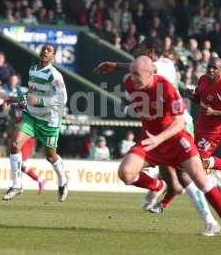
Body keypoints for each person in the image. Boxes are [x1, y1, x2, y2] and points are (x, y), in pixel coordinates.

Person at [94, 41, 219, 235]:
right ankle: (158, 186)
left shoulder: (161, 74)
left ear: (151, 56)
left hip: (177, 130)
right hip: (153, 135)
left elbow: (140, 67)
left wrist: (115, 65)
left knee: (191, 176)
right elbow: (137, 73)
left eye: (140, 50)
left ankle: (209, 220)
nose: (136, 52)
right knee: (131, 173)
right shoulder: (140, 77)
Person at [2, 44, 68, 202]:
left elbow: (62, 99)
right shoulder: (33, 69)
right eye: (44, 49)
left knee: (51, 156)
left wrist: (39, 100)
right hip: (31, 117)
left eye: (49, 50)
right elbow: (31, 94)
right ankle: (17, 185)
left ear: (53, 57)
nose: (45, 51)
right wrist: (16, 99)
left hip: (49, 121)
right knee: (14, 144)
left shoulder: (54, 75)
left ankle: (63, 182)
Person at [188, 58, 221, 170]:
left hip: (213, 132)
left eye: (214, 68)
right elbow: (198, 99)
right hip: (200, 126)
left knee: (199, 162)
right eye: (209, 67)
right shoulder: (202, 79)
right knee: (191, 159)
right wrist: (191, 96)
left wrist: (214, 112)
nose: (211, 70)